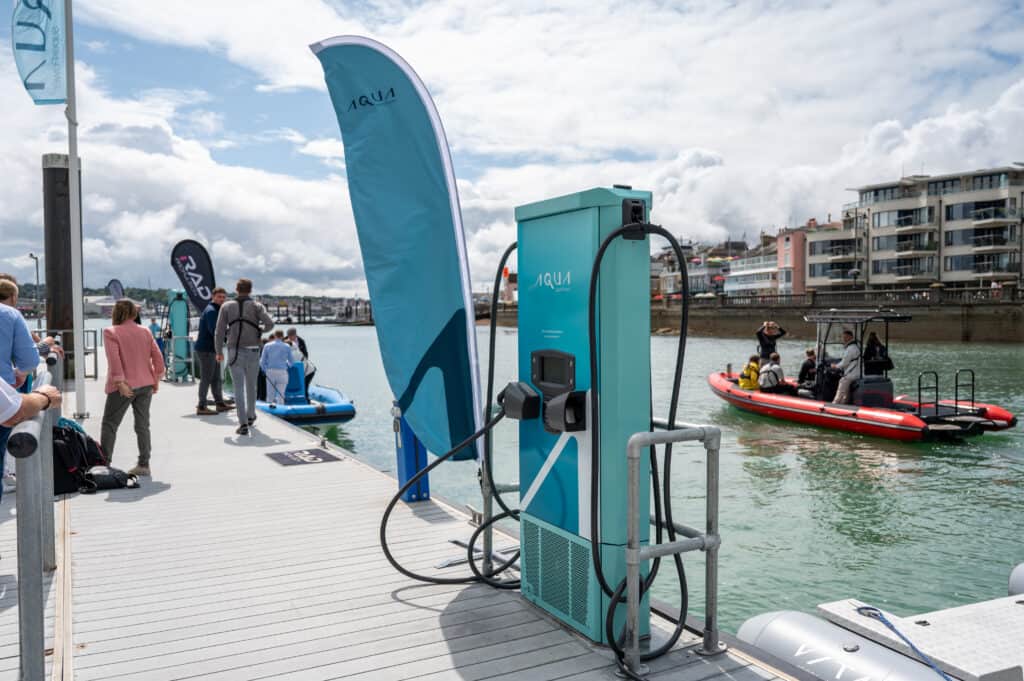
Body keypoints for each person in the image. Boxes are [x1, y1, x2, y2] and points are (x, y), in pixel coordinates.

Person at [101, 299, 165, 476]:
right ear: (134, 314)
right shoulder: (145, 331)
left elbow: (114, 359)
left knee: (110, 424)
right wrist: (156, 378)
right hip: (145, 384)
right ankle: (144, 464)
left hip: (124, 386)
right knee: (142, 425)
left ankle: (105, 464)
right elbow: (158, 359)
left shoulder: (110, 332)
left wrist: (120, 381)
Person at [0, 278, 44, 495]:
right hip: (4, 392)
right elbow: (29, 360)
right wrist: (20, 375)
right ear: (14, 297)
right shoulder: (9, 314)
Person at [215, 279, 274, 435]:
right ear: (250, 290)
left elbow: (219, 331)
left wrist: (218, 351)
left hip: (234, 350)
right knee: (251, 386)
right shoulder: (257, 306)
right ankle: (251, 415)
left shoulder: (226, 306)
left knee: (238, 388)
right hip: (253, 350)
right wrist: (258, 329)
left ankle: (242, 424)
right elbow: (270, 324)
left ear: (236, 289)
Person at [194, 287, 233, 416]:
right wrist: (230, 337)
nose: (222, 299)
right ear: (213, 296)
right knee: (206, 378)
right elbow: (214, 331)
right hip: (206, 350)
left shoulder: (217, 310)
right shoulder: (212, 311)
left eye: (223, 297)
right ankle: (201, 406)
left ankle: (219, 403)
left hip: (213, 349)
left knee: (216, 378)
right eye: (219, 297)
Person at [260, 330, 294, 405]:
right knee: (281, 395)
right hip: (282, 372)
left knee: (270, 395)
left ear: (275, 336)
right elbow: (292, 362)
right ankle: (281, 411)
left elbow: (262, 361)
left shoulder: (267, 345)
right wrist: (286, 364)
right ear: (282, 336)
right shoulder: (287, 346)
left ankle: (269, 412)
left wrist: (264, 370)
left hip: (270, 372)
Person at [286, 327, 315, 401]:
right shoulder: (286, 342)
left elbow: (305, 354)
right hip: (297, 368)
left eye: (291, 335)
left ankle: (306, 399)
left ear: (295, 335)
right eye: (288, 335)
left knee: (304, 385)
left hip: (307, 370)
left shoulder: (300, 342)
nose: (289, 337)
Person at [832, 329, 861, 404]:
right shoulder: (856, 347)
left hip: (851, 375)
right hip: (857, 374)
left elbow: (844, 363)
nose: (844, 339)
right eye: (843, 337)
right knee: (846, 394)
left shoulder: (850, 349)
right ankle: (844, 404)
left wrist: (835, 366)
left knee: (841, 387)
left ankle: (834, 404)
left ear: (850, 337)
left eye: (845, 337)